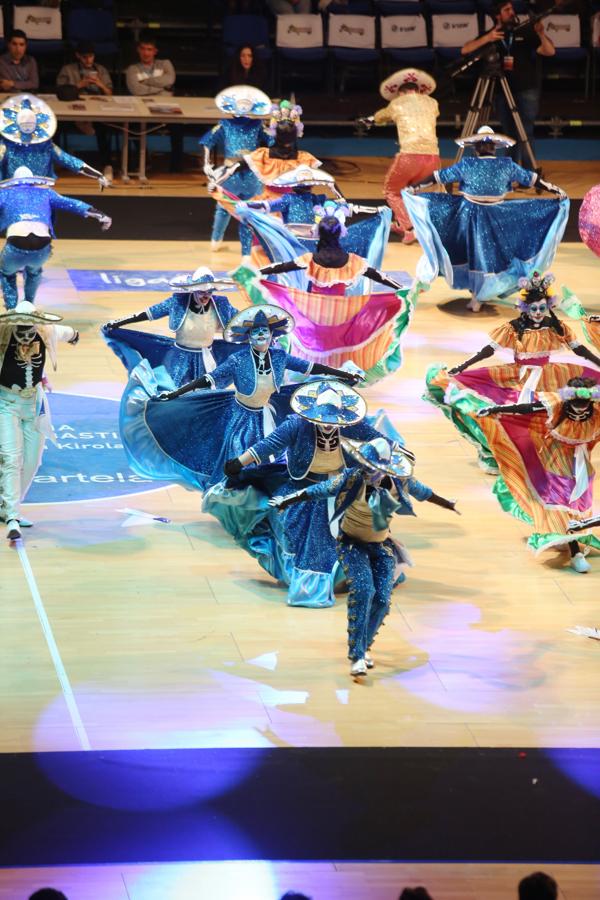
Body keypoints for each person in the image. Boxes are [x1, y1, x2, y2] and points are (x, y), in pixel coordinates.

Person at [119, 304, 361, 493]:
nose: (260, 337)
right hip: (238, 417)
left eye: (264, 333)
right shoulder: (238, 360)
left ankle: (262, 501)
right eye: (255, 333)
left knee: (270, 458)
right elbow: (209, 379)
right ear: (249, 337)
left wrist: (342, 374)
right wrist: (175, 393)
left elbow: (312, 368)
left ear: (270, 335)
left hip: (266, 415)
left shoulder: (279, 356)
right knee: (237, 459)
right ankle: (233, 503)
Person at [270, 437, 458, 675]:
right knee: (364, 591)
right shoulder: (352, 478)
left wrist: (447, 503)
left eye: (376, 469)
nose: (371, 472)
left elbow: (424, 493)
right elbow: (320, 490)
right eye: (367, 466)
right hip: (351, 545)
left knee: (382, 601)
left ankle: (365, 646)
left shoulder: (401, 481)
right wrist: (288, 500)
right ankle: (357, 656)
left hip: (381, 548)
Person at [208, 378, 405, 607]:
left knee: (360, 531)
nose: (329, 424)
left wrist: (397, 458)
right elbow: (268, 445)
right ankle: (310, 586)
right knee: (306, 538)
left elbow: (381, 440)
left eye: (334, 419)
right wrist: (239, 463)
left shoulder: (349, 425)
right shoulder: (296, 425)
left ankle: (355, 578)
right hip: (302, 490)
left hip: (341, 490)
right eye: (324, 418)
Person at [424, 270, 600, 470]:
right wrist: (464, 366)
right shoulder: (514, 328)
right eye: (533, 308)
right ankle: (500, 452)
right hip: (519, 376)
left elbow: (580, 349)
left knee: (544, 413)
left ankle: (541, 454)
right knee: (508, 413)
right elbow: (488, 350)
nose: (537, 313)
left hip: (549, 376)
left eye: (542, 307)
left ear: (548, 306)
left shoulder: (555, 326)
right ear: (525, 308)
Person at [234, 204, 413, 382]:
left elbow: (281, 267)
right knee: (339, 342)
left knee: (313, 344)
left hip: (313, 312)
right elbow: (378, 275)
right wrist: (400, 287)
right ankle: (338, 375)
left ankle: (315, 375)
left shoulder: (312, 259)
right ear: (340, 233)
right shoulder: (351, 261)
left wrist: (259, 273)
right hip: (340, 314)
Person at [403, 125, 568, 311]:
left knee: (480, 255)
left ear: (478, 148)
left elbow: (437, 177)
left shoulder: (476, 164)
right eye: (485, 144)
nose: (485, 146)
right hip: (476, 215)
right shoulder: (501, 165)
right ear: (492, 148)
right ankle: (477, 295)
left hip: (479, 216)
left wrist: (415, 187)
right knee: (483, 255)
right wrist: (554, 189)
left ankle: (478, 296)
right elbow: (533, 179)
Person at [476, 377, 600, 570]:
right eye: (576, 405)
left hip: (581, 462)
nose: (580, 409)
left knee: (578, 503)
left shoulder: (597, 413)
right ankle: (575, 552)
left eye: (583, 405)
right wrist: (496, 410)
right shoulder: (557, 406)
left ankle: (565, 536)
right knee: (562, 500)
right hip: (555, 459)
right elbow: (528, 408)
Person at [0, 302, 80, 541]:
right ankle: (12, 516)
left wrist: (75, 335)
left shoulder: (47, 332)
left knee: (33, 460)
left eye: (30, 329)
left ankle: (7, 507)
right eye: (21, 330)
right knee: (11, 458)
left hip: (34, 404)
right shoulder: (1, 336)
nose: (26, 336)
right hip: (6, 404)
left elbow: (68, 332)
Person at [102, 266, 241, 386]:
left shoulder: (221, 304)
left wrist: (260, 322)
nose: (206, 296)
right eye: (201, 292)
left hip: (207, 358)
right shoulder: (178, 302)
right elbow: (150, 313)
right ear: (192, 290)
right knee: (174, 389)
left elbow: (242, 318)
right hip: (180, 359)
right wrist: (119, 322)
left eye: (209, 292)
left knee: (205, 391)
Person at [0, 166, 111, 309]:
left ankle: (12, 311)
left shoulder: (5, 193)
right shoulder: (45, 193)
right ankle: (28, 307)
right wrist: (101, 215)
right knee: (34, 272)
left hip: (16, 246)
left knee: (7, 274)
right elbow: (72, 204)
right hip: (42, 248)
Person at [460, 0, 555, 164]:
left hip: (526, 88)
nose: (512, 12)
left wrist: (540, 33)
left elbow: (549, 51)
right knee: (509, 133)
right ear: (498, 15)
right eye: (507, 10)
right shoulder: (492, 35)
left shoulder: (525, 31)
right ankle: (509, 170)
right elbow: (465, 50)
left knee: (526, 131)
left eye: (512, 9)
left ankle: (528, 172)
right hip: (501, 91)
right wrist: (487, 38)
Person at [367, 68, 440, 243]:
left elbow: (380, 117)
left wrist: (371, 119)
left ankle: (409, 228)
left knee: (392, 191)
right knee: (418, 192)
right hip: (434, 157)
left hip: (410, 156)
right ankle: (423, 226)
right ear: (419, 90)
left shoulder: (397, 104)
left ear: (400, 92)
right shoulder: (432, 103)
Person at [200, 84, 272, 258]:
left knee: (249, 210)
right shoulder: (225, 123)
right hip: (230, 173)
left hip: (251, 173)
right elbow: (208, 141)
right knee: (225, 207)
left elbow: (271, 141)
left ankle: (248, 251)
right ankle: (216, 240)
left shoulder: (257, 124)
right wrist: (206, 163)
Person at [0, 94, 108, 187]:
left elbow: (70, 161)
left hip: (42, 193)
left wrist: (97, 174)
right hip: (12, 191)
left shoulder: (47, 146)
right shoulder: (5, 146)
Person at [56, 41, 115, 183]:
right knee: (55, 125)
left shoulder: (101, 70)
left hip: (96, 110)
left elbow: (110, 93)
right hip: (72, 110)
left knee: (104, 127)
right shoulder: (68, 70)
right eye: (84, 57)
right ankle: (55, 163)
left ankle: (107, 165)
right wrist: (79, 85)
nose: (88, 60)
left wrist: (99, 84)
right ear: (78, 56)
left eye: (91, 56)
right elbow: (60, 91)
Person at [125, 33, 183, 173]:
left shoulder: (165, 64)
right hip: (142, 107)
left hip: (165, 108)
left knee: (177, 126)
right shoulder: (133, 69)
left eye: (149, 49)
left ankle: (176, 165)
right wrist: (160, 89)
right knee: (132, 126)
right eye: (143, 49)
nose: (146, 53)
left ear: (155, 51)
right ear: (138, 50)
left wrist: (145, 82)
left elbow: (170, 80)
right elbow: (135, 89)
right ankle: (142, 160)